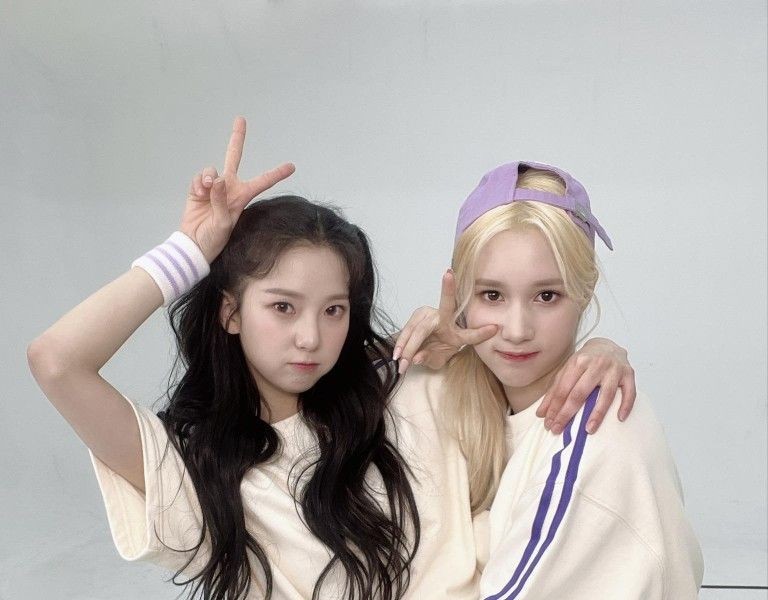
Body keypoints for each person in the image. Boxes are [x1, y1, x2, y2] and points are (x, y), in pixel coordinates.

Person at [27, 120, 636, 600]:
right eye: (283, 307)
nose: (310, 338)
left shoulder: (401, 386)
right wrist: (191, 250)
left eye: (334, 310)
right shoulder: (193, 467)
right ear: (230, 312)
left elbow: (536, 428)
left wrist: (597, 351)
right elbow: (57, 360)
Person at [394, 161, 703, 599]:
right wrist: (410, 353)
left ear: (584, 293)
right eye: (492, 295)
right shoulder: (457, 393)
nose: (517, 329)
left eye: (547, 296)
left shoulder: (594, 425)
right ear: (460, 296)